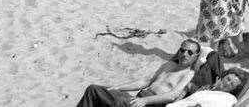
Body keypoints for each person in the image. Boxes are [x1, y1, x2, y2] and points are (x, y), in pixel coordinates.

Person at [73, 38, 204, 106]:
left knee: (120, 103)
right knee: (94, 89)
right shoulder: (169, 64)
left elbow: (172, 96)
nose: (184, 54)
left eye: (190, 52)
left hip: (152, 104)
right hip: (137, 100)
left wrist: (146, 101)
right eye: (182, 50)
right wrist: (118, 87)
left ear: (196, 56)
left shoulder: (189, 74)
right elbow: (145, 81)